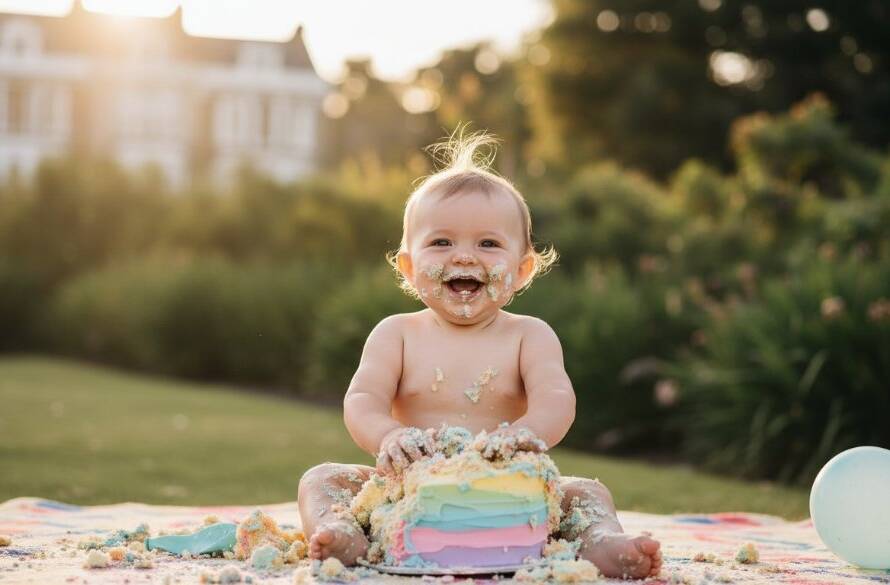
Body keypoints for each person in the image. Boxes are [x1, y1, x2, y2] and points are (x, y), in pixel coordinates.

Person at [297, 132, 662, 579]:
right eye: (442, 243)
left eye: (489, 244)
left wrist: (526, 434)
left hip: (510, 489)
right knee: (323, 478)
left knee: (586, 493)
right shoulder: (396, 334)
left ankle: (602, 543)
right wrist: (388, 436)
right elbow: (362, 400)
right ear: (409, 268)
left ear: (523, 269)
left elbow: (556, 399)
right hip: (406, 490)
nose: (464, 256)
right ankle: (342, 531)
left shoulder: (529, 335)